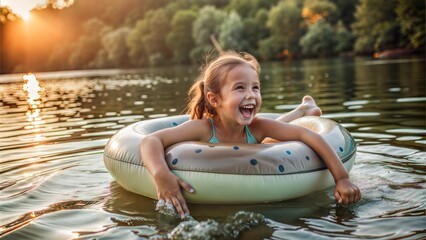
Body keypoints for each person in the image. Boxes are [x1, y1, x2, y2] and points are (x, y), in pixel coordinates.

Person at [140, 51, 361, 218]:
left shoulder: (256, 126)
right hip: (240, 138)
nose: (251, 95)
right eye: (240, 88)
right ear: (215, 99)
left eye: (255, 87)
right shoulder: (203, 129)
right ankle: (302, 110)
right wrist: (161, 174)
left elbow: (308, 136)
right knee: (269, 134)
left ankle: (303, 110)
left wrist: (341, 178)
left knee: (269, 133)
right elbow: (151, 140)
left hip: (257, 135)